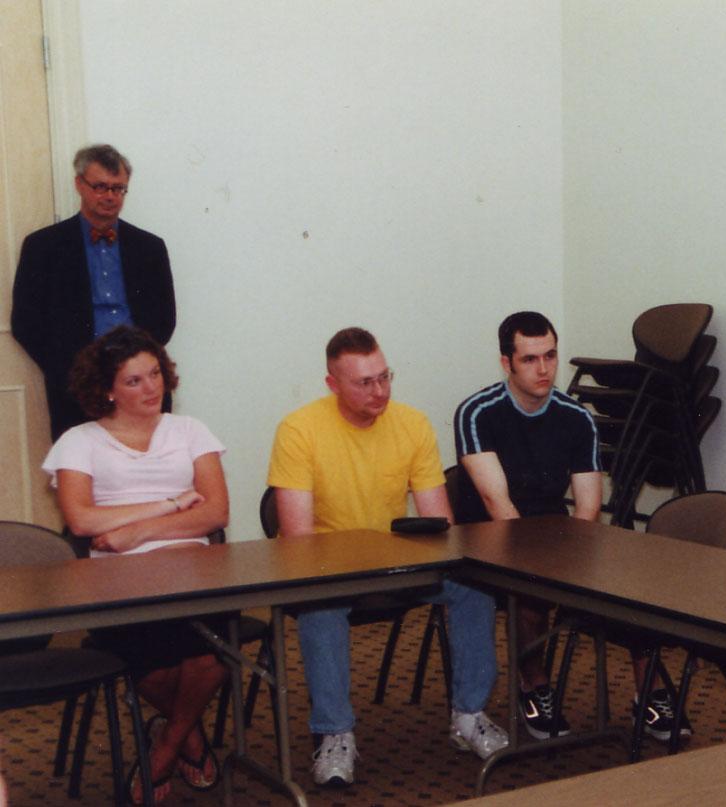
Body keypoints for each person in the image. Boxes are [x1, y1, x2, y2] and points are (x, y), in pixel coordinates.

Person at [267, 327, 507, 788]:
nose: (379, 392)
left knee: (474, 587)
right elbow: (298, 538)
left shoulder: (412, 423)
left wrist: (418, 551)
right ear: (332, 384)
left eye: (384, 377)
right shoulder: (298, 430)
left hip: (395, 566)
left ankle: (469, 714)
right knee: (320, 607)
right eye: (364, 383)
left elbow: (441, 524)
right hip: (327, 570)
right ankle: (334, 733)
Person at [453, 311, 690, 743]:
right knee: (529, 587)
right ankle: (535, 684)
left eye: (550, 356)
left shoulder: (574, 417)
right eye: (530, 359)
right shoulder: (477, 413)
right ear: (506, 363)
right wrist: (549, 571)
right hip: (487, 538)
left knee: (628, 576)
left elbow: (588, 507)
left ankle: (650, 687)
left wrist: (580, 565)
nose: (544, 369)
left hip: (554, 534)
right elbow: (497, 503)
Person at [42, 326, 228, 804]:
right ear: (106, 389)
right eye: (133, 381)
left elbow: (215, 512)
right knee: (155, 669)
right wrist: (169, 504)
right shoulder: (79, 441)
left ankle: (162, 751)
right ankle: (189, 738)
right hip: (116, 579)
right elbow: (81, 519)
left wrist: (137, 532)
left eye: (155, 375)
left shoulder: (190, 431)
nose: (151, 389)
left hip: (193, 569)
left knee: (208, 661)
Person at [12, 144, 175, 440]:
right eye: (100, 186)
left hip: (140, 382)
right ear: (79, 184)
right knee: (80, 473)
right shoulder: (42, 246)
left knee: (151, 464)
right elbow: (25, 322)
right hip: (76, 383)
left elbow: (165, 319)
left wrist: (137, 365)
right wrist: (68, 369)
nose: (110, 196)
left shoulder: (150, 247)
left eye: (118, 188)